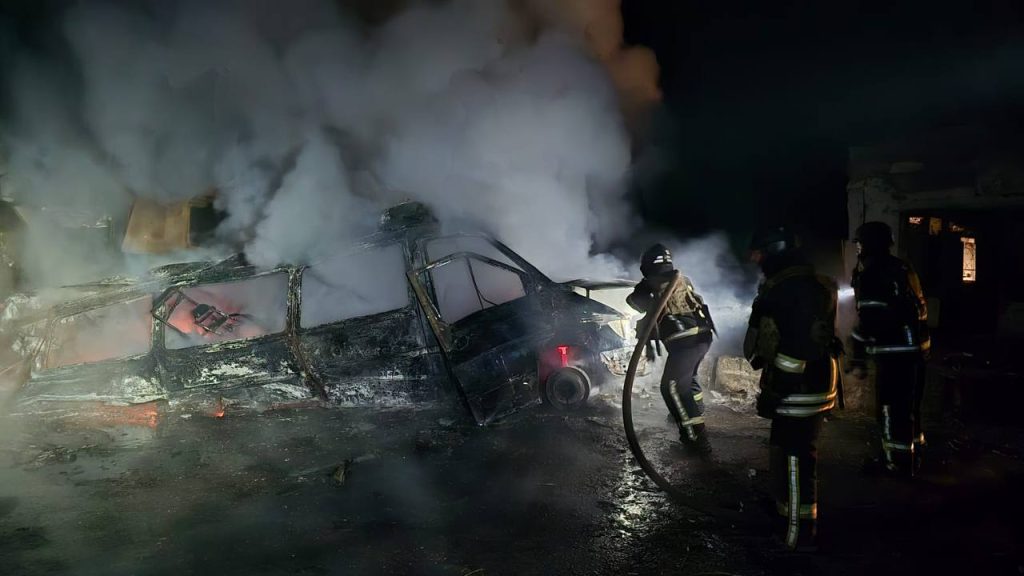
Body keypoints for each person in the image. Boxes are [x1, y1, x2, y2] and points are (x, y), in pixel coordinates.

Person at [745, 226, 840, 550]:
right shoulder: (811, 284)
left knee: (796, 460)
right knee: (784, 451)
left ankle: (796, 536)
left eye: (758, 253)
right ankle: (784, 513)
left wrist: (777, 390)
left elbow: (795, 350)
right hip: (810, 382)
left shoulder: (786, 291)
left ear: (775, 251)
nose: (754, 259)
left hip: (799, 389)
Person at [850, 221, 930, 476]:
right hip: (916, 350)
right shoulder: (903, 268)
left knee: (890, 410)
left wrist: (857, 353)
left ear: (870, 245)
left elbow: (870, 319)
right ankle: (914, 456)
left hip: (894, 354)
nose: (858, 250)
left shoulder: (873, 274)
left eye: (860, 245)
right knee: (909, 408)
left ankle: (895, 464)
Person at [627, 243, 715, 456]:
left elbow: (633, 301)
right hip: (702, 338)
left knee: (672, 387)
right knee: (687, 379)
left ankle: (696, 440)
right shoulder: (683, 280)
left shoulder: (651, 283)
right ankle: (693, 409)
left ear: (647, 265)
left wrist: (644, 288)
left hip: (685, 341)